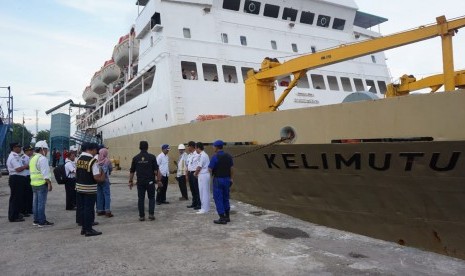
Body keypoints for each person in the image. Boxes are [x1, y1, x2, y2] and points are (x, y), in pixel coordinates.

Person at [76, 142, 105, 237]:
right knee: (89, 209)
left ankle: (84, 228)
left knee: (83, 208)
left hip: (79, 187)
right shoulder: (92, 161)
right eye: (95, 150)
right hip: (89, 188)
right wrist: (103, 175)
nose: (96, 152)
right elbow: (96, 177)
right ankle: (88, 229)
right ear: (90, 149)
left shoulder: (78, 159)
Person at [129, 141, 161, 221]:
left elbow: (132, 171)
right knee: (151, 198)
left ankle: (141, 216)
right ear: (147, 147)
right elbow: (156, 170)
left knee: (141, 199)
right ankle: (151, 215)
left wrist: (130, 181)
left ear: (139, 147)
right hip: (150, 182)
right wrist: (159, 180)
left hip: (140, 182)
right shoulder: (152, 157)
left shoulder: (135, 158)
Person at [209, 140, 234, 224]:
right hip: (227, 179)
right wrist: (231, 178)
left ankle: (222, 218)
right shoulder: (229, 156)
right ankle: (227, 216)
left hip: (218, 179)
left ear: (216, 147)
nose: (213, 148)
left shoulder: (215, 157)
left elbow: (210, 169)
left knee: (218, 198)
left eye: (213, 146)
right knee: (225, 197)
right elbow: (231, 168)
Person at [29, 140, 54, 227]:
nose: (47, 151)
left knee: (35, 203)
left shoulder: (32, 158)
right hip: (41, 184)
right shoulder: (42, 159)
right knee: (41, 203)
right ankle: (42, 221)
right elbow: (45, 174)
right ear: (42, 149)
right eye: (46, 149)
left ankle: (36, 220)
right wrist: (49, 183)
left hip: (34, 184)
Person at [7, 142, 28, 222]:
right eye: (19, 147)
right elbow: (18, 169)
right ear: (14, 148)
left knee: (18, 198)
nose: (20, 148)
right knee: (15, 198)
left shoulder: (16, 156)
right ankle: (13, 216)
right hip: (16, 178)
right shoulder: (13, 157)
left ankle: (16, 214)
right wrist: (26, 166)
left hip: (18, 178)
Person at [96, 147, 113, 217]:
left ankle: (100, 210)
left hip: (98, 180)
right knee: (107, 195)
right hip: (105, 180)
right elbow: (110, 169)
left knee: (99, 194)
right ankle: (107, 210)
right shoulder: (107, 161)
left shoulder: (97, 161)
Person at [194, 142, 210, 214]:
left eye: (195, 148)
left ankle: (204, 209)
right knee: (204, 192)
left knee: (203, 192)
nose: (195, 150)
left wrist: (195, 173)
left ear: (198, 148)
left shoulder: (202, 155)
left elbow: (199, 167)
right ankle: (205, 207)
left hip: (203, 175)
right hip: (203, 175)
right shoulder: (203, 155)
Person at [186, 141, 201, 210]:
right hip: (190, 173)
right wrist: (186, 175)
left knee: (196, 189)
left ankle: (198, 204)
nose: (187, 147)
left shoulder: (197, 154)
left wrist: (196, 174)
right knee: (192, 189)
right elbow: (187, 165)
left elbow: (199, 165)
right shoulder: (189, 155)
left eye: (188, 146)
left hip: (195, 173)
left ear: (191, 146)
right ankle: (194, 203)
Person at [21, 145, 34, 216]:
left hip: (29, 177)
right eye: (30, 150)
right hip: (25, 177)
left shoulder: (29, 158)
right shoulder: (24, 158)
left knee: (30, 194)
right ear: (26, 151)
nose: (32, 151)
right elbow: (25, 167)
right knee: (26, 195)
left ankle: (29, 209)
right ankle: (24, 210)